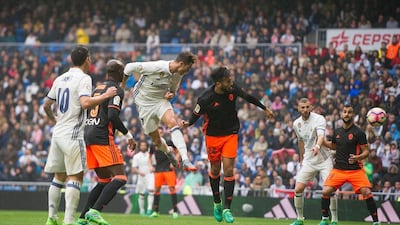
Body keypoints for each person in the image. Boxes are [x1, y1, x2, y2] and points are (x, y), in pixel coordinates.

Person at [181, 67, 274, 223]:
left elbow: (248, 97)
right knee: (215, 169)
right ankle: (217, 203)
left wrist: (264, 108)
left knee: (229, 169)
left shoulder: (232, 88)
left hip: (231, 133)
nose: (231, 81)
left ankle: (227, 209)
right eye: (227, 80)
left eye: (230, 78)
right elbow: (196, 114)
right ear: (218, 83)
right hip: (212, 136)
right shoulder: (205, 98)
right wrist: (188, 123)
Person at [43, 46, 117, 225]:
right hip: (73, 134)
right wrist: (105, 96)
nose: (90, 61)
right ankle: (68, 221)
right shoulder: (84, 78)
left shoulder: (60, 78)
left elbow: (46, 104)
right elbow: (85, 103)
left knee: (58, 177)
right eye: (90, 58)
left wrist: (54, 119)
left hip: (58, 133)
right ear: (86, 59)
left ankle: (51, 218)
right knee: (75, 177)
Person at [75, 59, 136, 225]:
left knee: (104, 181)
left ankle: (82, 218)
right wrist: (128, 135)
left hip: (88, 135)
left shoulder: (98, 88)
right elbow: (112, 116)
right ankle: (95, 211)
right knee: (121, 177)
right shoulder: (115, 90)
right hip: (102, 137)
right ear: (119, 74)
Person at [123, 51, 197, 171]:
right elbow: (129, 67)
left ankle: (185, 159)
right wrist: (122, 88)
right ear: (181, 64)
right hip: (144, 103)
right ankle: (168, 151)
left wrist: (171, 94)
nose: (187, 72)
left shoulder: (178, 74)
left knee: (172, 122)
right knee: (157, 141)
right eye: (187, 69)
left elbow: (173, 90)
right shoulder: (156, 67)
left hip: (160, 101)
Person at [320, 104, 380, 225]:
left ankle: (376, 222)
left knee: (367, 192)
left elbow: (366, 151)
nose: (347, 114)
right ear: (341, 114)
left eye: (349, 112)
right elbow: (334, 146)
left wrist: (359, 157)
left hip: (355, 170)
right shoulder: (337, 131)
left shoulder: (359, 132)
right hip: (338, 170)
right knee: (326, 191)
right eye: (345, 112)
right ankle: (325, 219)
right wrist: (322, 141)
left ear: (353, 115)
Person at [290, 98, 338, 225]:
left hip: (323, 159)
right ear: (298, 108)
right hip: (309, 160)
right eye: (302, 107)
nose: (305, 110)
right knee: (298, 189)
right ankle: (300, 219)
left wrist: (317, 146)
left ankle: (333, 220)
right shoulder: (296, 123)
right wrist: (301, 157)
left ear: (311, 107)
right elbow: (300, 141)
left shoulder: (319, 119)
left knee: (330, 189)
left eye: (307, 107)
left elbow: (321, 136)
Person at [149, 133, 179, 219]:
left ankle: (175, 211)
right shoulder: (153, 144)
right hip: (158, 169)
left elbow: (178, 151)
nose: (159, 134)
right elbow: (149, 156)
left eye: (161, 132)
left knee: (172, 189)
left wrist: (175, 161)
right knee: (156, 190)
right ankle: (156, 211)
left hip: (168, 169)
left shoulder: (169, 142)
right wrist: (150, 165)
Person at [131, 140, 154, 216]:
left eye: (145, 145)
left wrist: (153, 168)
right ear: (139, 146)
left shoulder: (151, 155)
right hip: (141, 176)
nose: (143, 147)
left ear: (147, 146)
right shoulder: (136, 156)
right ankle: (142, 211)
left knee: (151, 190)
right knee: (141, 193)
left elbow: (154, 165)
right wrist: (139, 172)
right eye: (142, 145)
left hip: (150, 175)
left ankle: (149, 210)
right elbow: (133, 168)